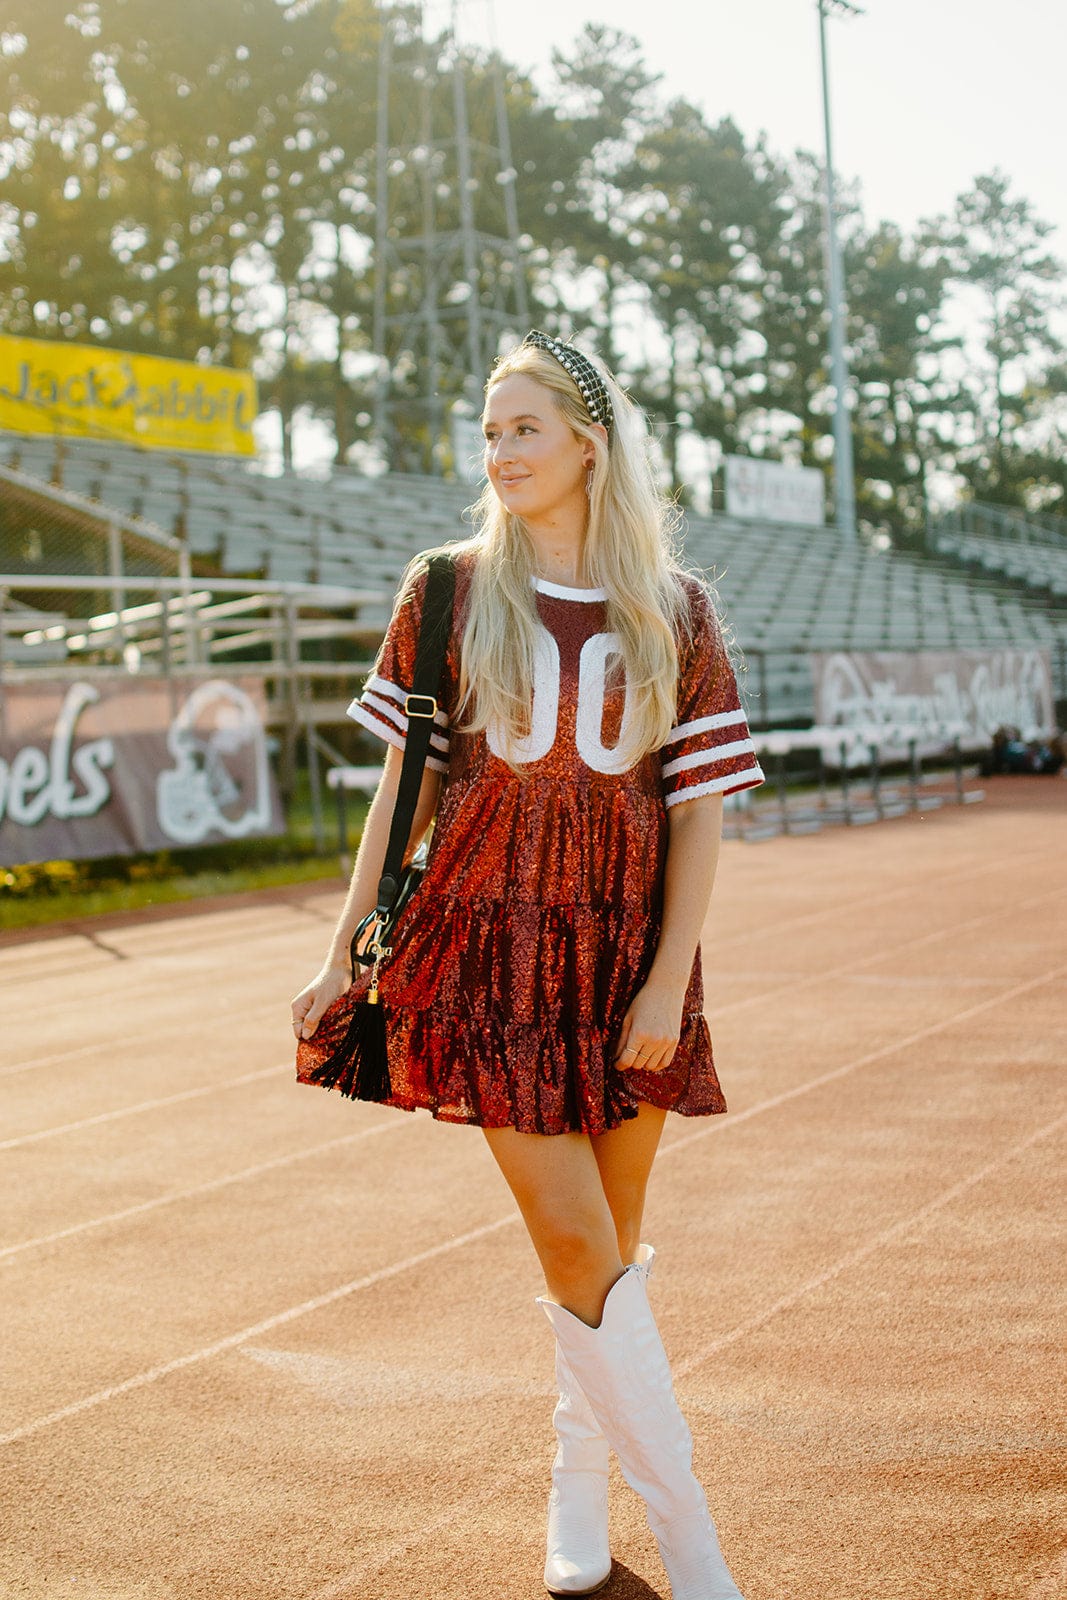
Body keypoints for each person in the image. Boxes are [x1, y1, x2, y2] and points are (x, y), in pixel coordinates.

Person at [291, 330, 765, 1600]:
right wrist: (343, 954)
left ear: (586, 447)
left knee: (607, 1250)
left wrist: (667, 980)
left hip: (623, 958)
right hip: (488, 949)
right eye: (489, 432)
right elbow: (405, 790)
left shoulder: (673, 607)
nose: (498, 452)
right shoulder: (444, 588)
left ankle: (572, 1488)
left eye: (523, 431)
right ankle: (697, 1554)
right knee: (574, 1243)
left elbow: (698, 810)